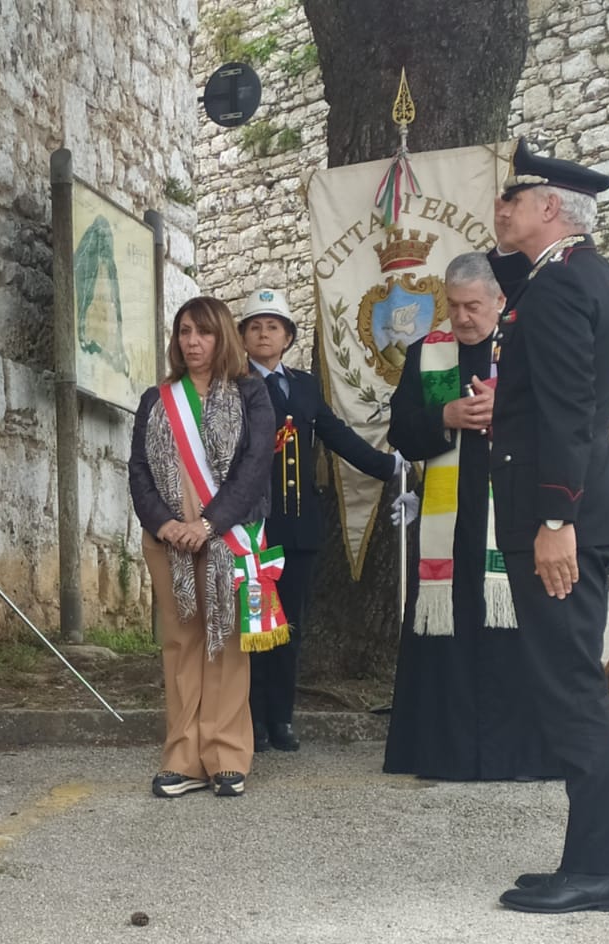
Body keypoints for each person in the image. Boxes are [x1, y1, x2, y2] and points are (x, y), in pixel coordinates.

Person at [481, 139, 609, 914]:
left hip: (562, 517)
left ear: (550, 207)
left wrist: (552, 519)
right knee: (565, 683)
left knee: (573, 686)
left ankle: (605, 868)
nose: (498, 209)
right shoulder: (561, 276)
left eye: (513, 198)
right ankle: (590, 856)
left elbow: (572, 413)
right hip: (566, 510)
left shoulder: (564, 286)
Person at [383, 252, 552, 781]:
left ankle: (515, 757)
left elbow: (561, 426)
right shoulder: (427, 354)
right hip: (449, 528)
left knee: (513, 637)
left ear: (500, 301)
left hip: (513, 519)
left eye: (473, 306)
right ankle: (445, 753)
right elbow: (401, 432)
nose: (462, 317)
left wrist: (509, 414)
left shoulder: (527, 351)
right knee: (448, 639)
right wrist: (445, 416)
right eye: (453, 306)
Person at [237, 289, 406, 752]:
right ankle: (253, 721)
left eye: (273, 326)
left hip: (300, 526)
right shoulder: (236, 387)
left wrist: (388, 465)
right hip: (255, 528)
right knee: (258, 628)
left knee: (290, 627)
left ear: (289, 336)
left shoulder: (306, 386)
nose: (264, 333)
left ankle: (282, 717)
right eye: (255, 326)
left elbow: (336, 435)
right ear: (243, 338)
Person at [129, 296, 275, 798]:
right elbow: (139, 470)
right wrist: (166, 524)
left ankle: (226, 755)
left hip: (228, 537)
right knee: (181, 644)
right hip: (169, 542)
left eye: (204, 332)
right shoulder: (156, 399)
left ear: (223, 337)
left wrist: (209, 523)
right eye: (185, 331)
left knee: (227, 645)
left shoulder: (251, 394)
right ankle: (184, 757)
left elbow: (254, 467)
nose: (193, 342)